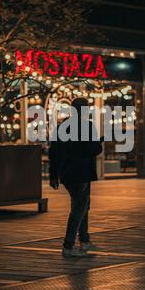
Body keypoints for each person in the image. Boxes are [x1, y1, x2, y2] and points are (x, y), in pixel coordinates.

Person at [49, 97, 103, 257]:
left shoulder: (61, 127)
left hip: (67, 173)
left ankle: (84, 241)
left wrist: (53, 176)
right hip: (82, 172)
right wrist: (98, 143)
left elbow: (54, 153)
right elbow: (94, 149)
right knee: (79, 209)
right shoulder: (87, 126)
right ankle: (69, 245)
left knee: (83, 207)